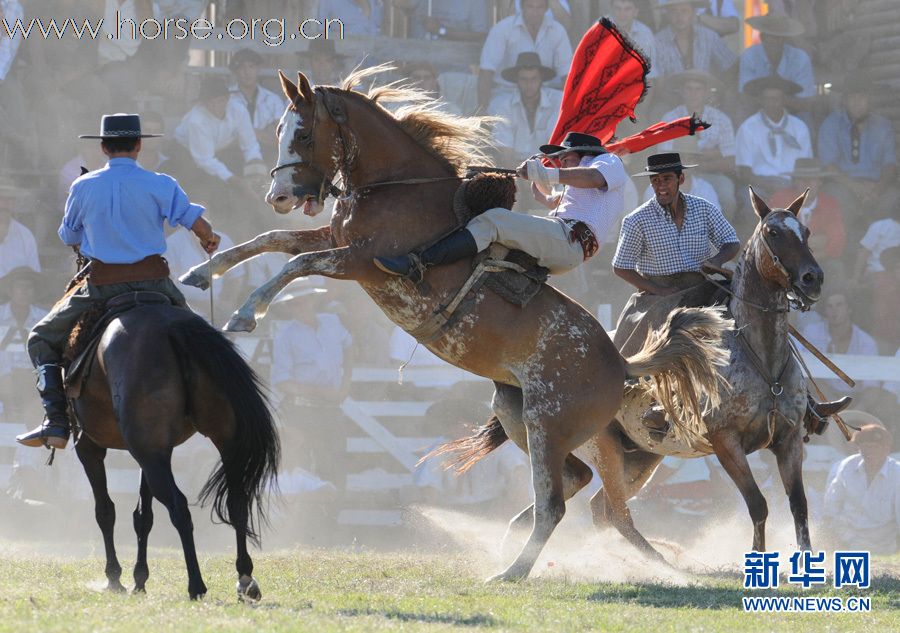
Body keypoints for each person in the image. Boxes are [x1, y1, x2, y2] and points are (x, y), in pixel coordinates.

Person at [16, 113, 221, 450]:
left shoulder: (83, 186)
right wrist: (208, 238)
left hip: (100, 286)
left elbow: (69, 234)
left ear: (102, 148)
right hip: (156, 285)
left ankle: (55, 419)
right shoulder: (161, 183)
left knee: (40, 338)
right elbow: (198, 224)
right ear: (139, 146)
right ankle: (213, 408)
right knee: (203, 341)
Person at [373, 131, 627, 281]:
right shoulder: (579, 187)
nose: (561, 164)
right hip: (565, 239)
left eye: (565, 158)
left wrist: (547, 175)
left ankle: (417, 264)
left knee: (495, 220)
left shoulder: (607, 161)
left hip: (569, 240)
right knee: (491, 244)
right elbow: (554, 201)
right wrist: (540, 189)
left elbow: (593, 178)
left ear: (585, 154)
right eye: (559, 162)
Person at [611, 152, 740, 357]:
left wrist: (716, 260)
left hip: (702, 287)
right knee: (633, 353)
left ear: (680, 179)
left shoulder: (704, 209)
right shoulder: (636, 220)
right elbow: (620, 266)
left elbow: (732, 242)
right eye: (655, 180)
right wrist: (656, 290)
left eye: (667, 179)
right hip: (660, 293)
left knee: (742, 313)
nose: (661, 185)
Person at [818, 73, 899, 224]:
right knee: (836, 198)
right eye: (852, 97)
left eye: (862, 97)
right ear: (844, 100)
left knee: (893, 199)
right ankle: (844, 246)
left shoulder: (883, 126)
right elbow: (829, 166)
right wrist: (854, 187)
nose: (857, 102)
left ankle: (882, 246)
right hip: (843, 185)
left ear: (870, 99)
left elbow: (890, 164)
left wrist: (878, 188)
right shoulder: (831, 125)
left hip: (876, 186)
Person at [171, 75, 266, 203]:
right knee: (208, 187)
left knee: (256, 182)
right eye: (210, 102)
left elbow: (250, 145)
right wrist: (237, 182)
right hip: (185, 153)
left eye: (220, 101)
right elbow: (205, 160)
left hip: (220, 150)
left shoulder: (238, 110)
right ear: (203, 103)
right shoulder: (196, 120)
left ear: (227, 98)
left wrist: (256, 173)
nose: (216, 106)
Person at [658, 69, 736, 215]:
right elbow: (664, 157)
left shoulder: (721, 119)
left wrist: (699, 164)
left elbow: (730, 161)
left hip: (710, 174)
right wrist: (713, 154)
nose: (694, 94)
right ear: (682, 92)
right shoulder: (669, 119)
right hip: (677, 175)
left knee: (726, 194)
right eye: (689, 89)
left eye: (698, 89)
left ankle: (723, 236)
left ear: (707, 93)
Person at [477, 0, 572, 111]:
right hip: (508, 92)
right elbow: (486, 71)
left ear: (547, 8)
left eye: (539, 7)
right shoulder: (502, 29)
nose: (535, 12)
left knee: (561, 107)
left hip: (545, 92)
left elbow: (567, 74)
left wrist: (569, 111)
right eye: (530, 7)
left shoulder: (558, 31)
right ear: (521, 6)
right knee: (497, 109)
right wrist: (482, 110)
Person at [824, 423, 900, 554]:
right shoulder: (847, 466)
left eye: (875, 447)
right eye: (865, 447)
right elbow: (832, 503)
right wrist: (834, 533)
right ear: (859, 449)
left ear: (886, 449)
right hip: (847, 539)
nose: (870, 452)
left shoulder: (897, 473)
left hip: (883, 544)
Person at [734, 75, 812, 201]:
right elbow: (744, 171)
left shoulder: (799, 127)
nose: (772, 103)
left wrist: (788, 187)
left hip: (792, 185)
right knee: (751, 202)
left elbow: (805, 167)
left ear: (784, 100)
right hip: (759, 185)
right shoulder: (748, 128)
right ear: (761, 101)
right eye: (768, 99)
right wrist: (769, 186)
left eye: (777, 99)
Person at [488, 52, 563, 166]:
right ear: (516, 80)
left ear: (541, 79)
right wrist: (517, 177)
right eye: (524, 79)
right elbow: (505, 152)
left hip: (549, 166)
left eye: (533, 79)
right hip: (515, 167)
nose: (529, 84)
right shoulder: (502, 105)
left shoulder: (558, 101)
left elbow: (557, 146)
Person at [770, 158, 846, 265]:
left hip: (819, 260)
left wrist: (809, 257)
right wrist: (819, 241)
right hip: (785, 261)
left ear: (820, 182)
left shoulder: (829, 204)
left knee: (835, 266)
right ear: (795, 182)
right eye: (802, 179)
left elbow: (837, 241)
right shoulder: (779, 200)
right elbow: (772, 237)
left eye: (811, 180)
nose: (806, 184)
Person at [738, 15, 816, 112]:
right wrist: (776, 100)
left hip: (795, 114)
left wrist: (772, 100)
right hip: (756, 113)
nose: (778, 41)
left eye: (781, 37)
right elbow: (744, 97)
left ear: (786, 39)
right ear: (762, 37)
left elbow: (806, 102)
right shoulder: (749, 56)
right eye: (772, 36)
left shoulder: (800, 58)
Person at [652, 0, 736, 79]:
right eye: (674, 11)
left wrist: (722, 90)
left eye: (684, 11)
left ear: (693, 12)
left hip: (705, 91)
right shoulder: (657, 42)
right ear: (667, 14)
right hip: (671, 92)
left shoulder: (709, 36)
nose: (679, 16)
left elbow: (731, 67)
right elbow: (658, 80)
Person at [228, 48, 287, 151]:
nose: (247, 72)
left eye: (251, 67)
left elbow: (281, 137)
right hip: (234, 153)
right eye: (241, 68)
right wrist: (261, 133)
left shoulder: (273, 100)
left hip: (267, 153)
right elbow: (225, 136)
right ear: (235, 72)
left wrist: (245, 131)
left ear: (259, 69)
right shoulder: (225, 98)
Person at [0, 179, 40, 278]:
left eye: (9, 199)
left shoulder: (25, 235)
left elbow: (34, 274)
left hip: (14, 292)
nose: (4, 204)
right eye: (1, 198)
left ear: (14, 204)